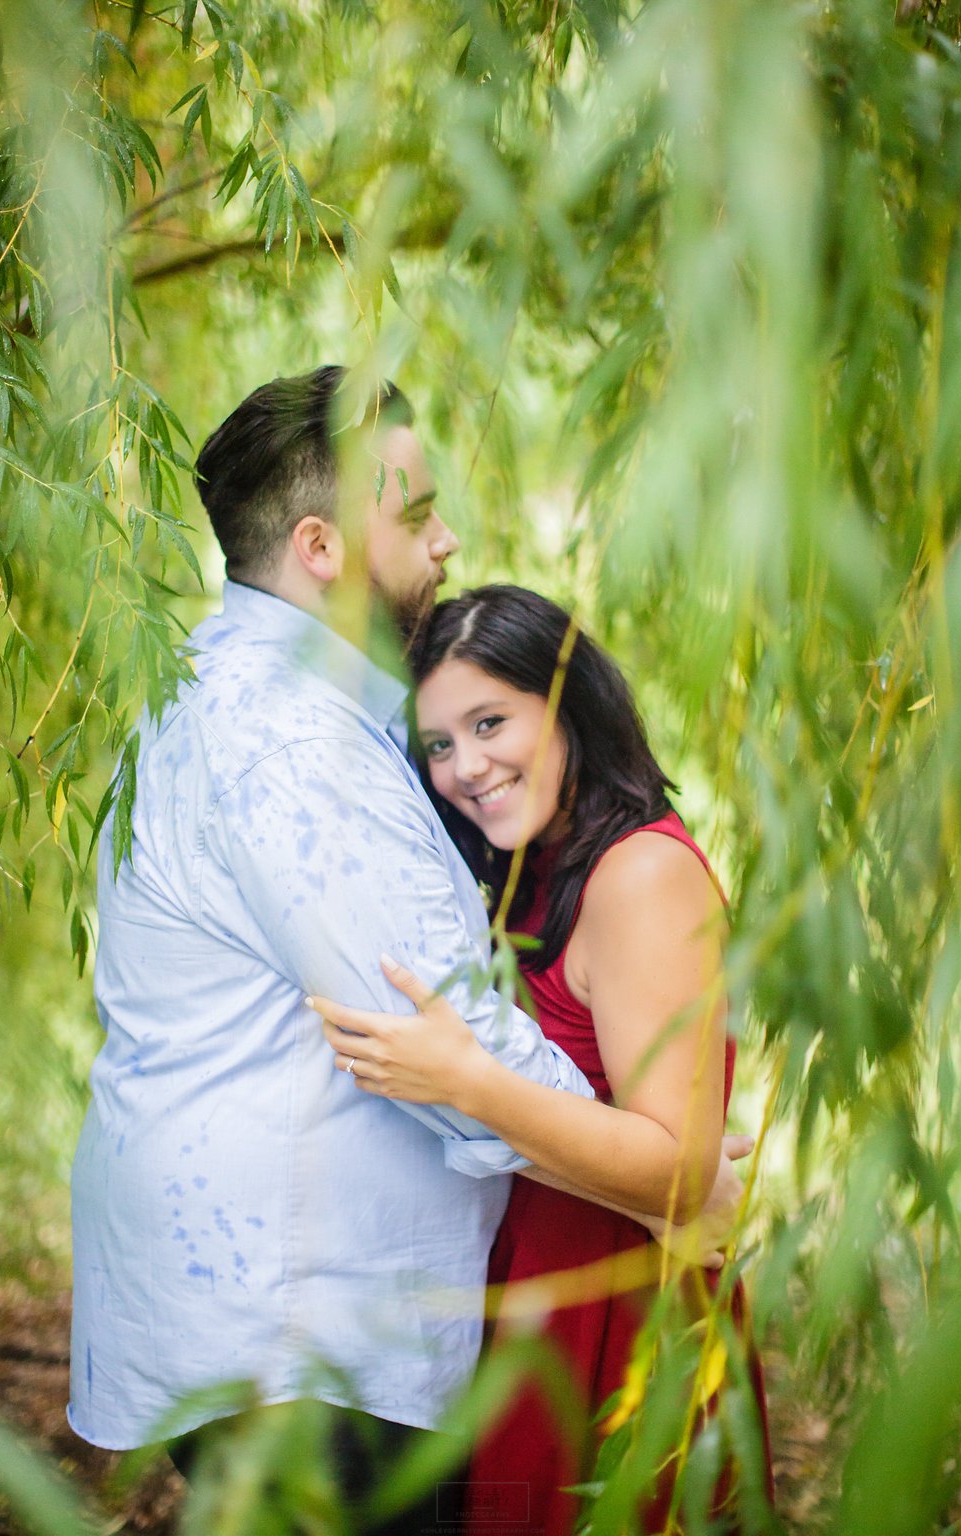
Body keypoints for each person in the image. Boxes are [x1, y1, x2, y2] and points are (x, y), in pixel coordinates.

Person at [67, 369, 746, 1531]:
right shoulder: (290, 743)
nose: (446, 542)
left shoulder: (236, 695)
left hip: (281, 1319)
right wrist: (666, 1172)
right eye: (417, 513)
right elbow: (440, 1034)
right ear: (322, 547)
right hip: (303, 1332)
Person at [313, 585, 774, 1534]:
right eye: (439, 744)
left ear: (570, 708)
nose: (467, 767)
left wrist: (465, 1083)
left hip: (618, 1317)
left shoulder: (642, 876)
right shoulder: (528, 872)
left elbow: (680, 1175)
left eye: (490, 723)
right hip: (535, 1289)